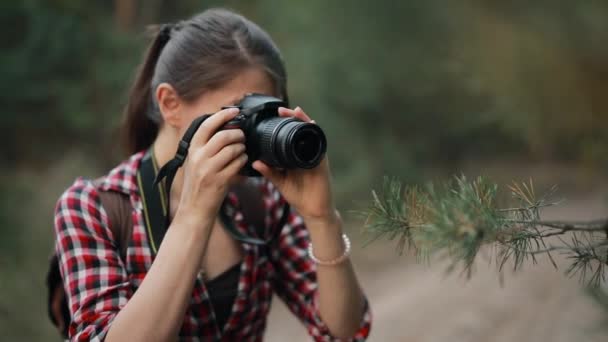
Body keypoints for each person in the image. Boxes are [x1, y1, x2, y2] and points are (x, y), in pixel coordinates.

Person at [53, 8, 371, 341]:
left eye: (264, 115)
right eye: (239, 114)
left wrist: (322, 219)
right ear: (170, 104)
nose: (253, 134)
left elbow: (343, 331)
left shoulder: (261, 199)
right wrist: (194, 212)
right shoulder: (91, 208)